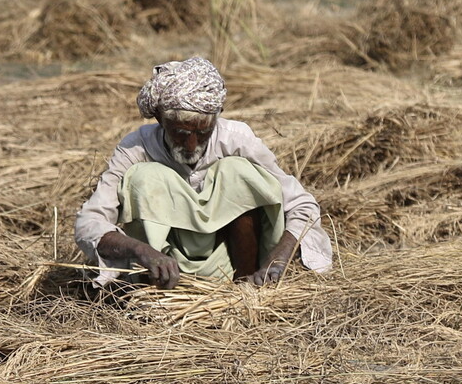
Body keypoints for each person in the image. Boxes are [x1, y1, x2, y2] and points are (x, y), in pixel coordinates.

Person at [74, 56, 332, 289]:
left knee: (238, 172)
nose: (191, 146)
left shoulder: (236, 139)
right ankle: (154, 294)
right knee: (144, 178)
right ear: (162, 121)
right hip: (165, 269)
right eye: (181, 133)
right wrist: (140, 250)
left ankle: (245, 287)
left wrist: (279, 258)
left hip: (233, 263)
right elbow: (89, 223)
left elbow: (303, 206)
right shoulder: (136, 147)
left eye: (203, 133)